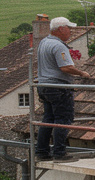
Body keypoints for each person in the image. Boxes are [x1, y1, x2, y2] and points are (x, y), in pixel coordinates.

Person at [35, 17, 91, 162]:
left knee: (48, 119)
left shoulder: (44, 42)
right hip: (58, 87)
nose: (70, 31)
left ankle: (42, 151)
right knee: (63, 119)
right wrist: (81, 73)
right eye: (68, 28)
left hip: (44, 85)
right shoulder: (58, 45)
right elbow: (65, 67)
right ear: (60, 29)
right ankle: (59, 153)